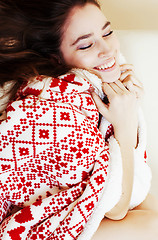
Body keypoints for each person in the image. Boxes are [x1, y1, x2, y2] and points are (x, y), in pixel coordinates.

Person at [0, 0, 158, 239]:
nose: (107, 50)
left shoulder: (97, 86)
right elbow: (116, 208)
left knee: (151, 210)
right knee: (151, 225)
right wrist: (124, 130)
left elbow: (137, 193)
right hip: (24, 230)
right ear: (55, 57)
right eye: (86, 45)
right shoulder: (48, 113)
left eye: (108, 32)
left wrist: (126, 108)